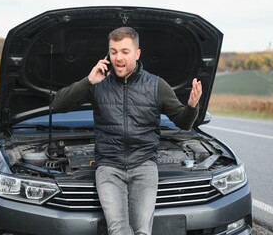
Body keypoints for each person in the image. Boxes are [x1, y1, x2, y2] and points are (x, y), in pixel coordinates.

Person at [52, 27, 202, 235]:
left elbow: (184, 122)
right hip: (109, 167)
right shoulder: (97, 84)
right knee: (119, 230)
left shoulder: (156, 85)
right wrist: (88, 81)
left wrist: (192, 106)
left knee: (142, 230)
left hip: (144, 165)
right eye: (113, 52)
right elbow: (57, 105)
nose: (118, 58)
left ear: (137, 54)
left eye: (124, 51)